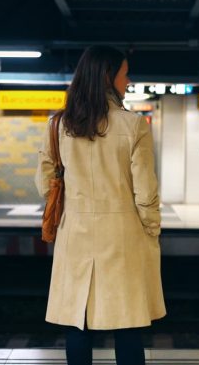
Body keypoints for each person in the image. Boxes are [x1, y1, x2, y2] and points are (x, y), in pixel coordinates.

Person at [35, 46, 165, 365]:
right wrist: (152, 228)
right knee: (127, 323)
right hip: (123, 234)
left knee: (78, 321)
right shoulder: (134, 126)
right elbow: (145, 190)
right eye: (125, 73)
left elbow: (43, 183)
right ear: (108, 77)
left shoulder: (59, 125)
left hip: (75, 232)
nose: (129, 80)